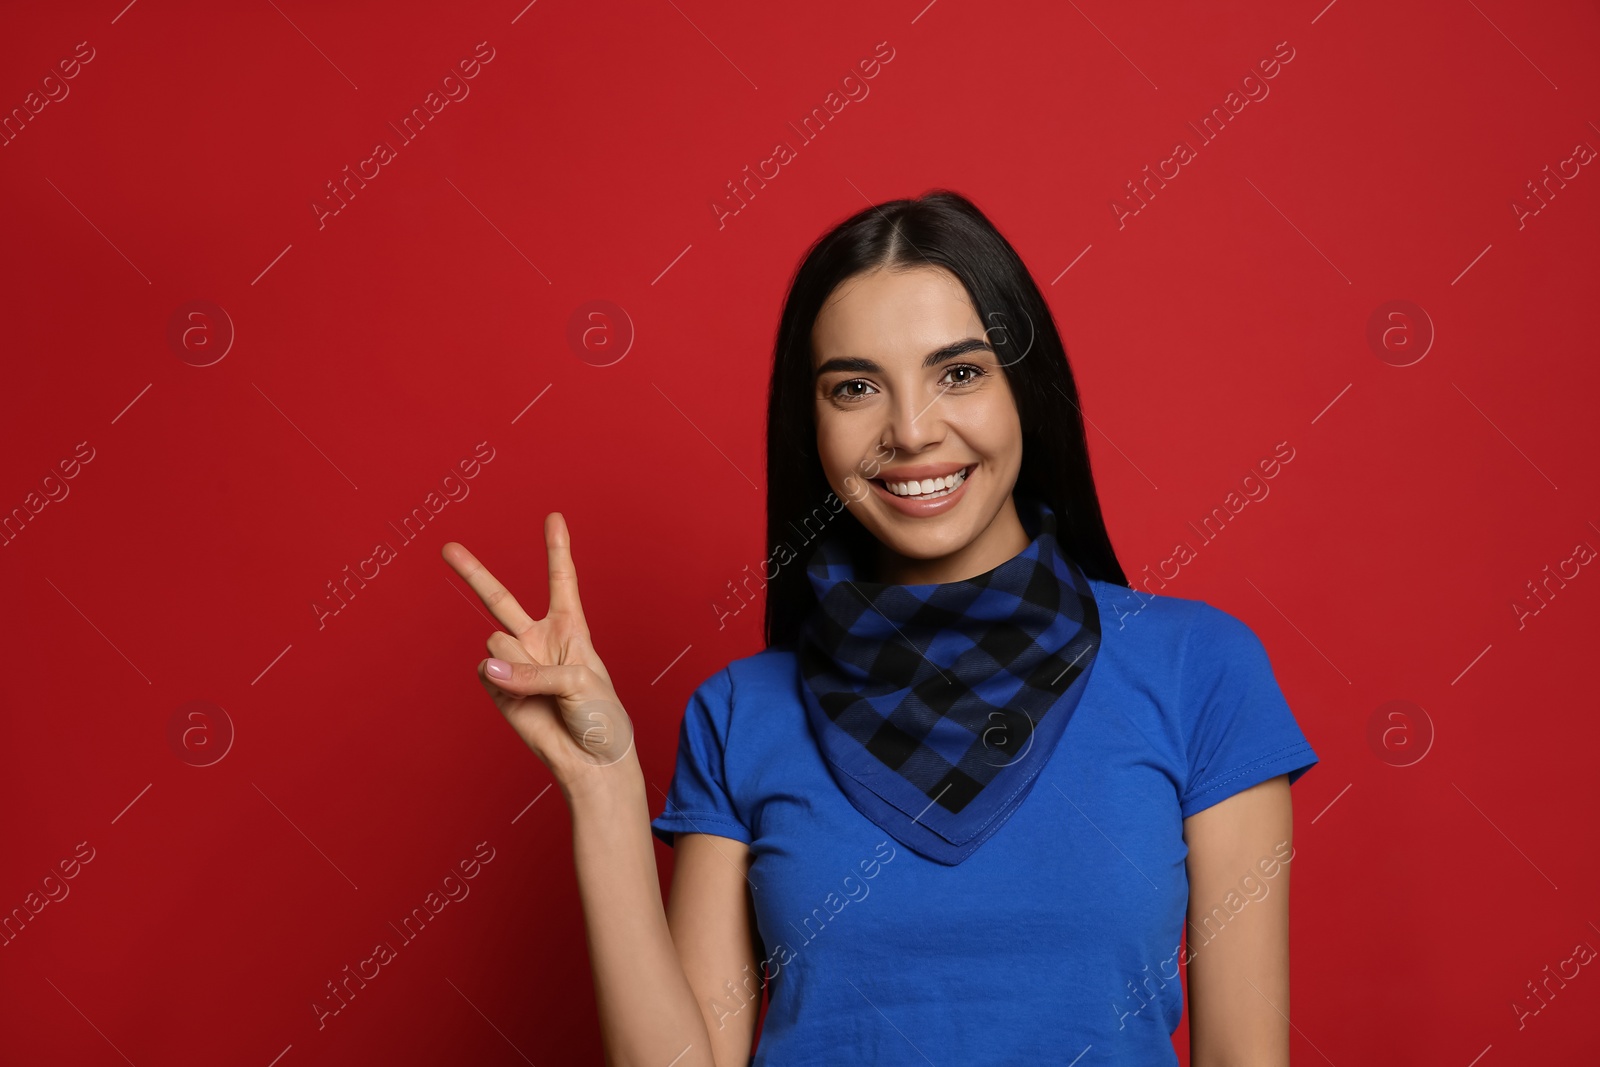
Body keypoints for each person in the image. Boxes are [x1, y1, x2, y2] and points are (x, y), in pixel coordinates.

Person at [442, 189, 1319, 1066]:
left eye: (961, 372)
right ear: (811, 424)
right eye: (856, 387)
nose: (910, 430)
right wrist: (603, 787)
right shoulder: (741, 714)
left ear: (1025, 388)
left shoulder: (1199, 671)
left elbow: (1246, 1055)